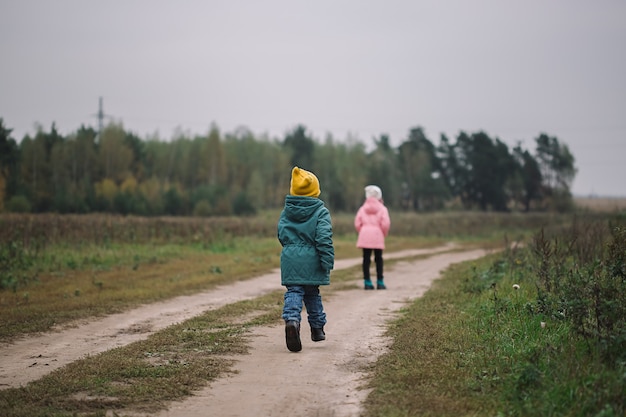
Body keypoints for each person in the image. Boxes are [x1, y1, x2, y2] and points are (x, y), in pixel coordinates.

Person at [278, 166, 334, 352]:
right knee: (312, 293)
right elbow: (324, 238)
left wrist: (291, 250)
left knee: (294, 291)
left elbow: (281, 234)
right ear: (315, 191)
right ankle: (317, 329)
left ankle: (292, 321)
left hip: (291, 258)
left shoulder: (287, 211)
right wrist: (327, 261)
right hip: (313, 260)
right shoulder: (321, 212)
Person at [354, 185, 390, 290]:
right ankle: (380, 281)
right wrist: (383, 233)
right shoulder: (382, 209)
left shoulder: (362, 208)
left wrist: (363, 231)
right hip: (377, 235)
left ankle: (367, 282)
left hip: (365, 234)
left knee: (366, 259)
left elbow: (357, 223)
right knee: (378, 259)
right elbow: (386, 223)